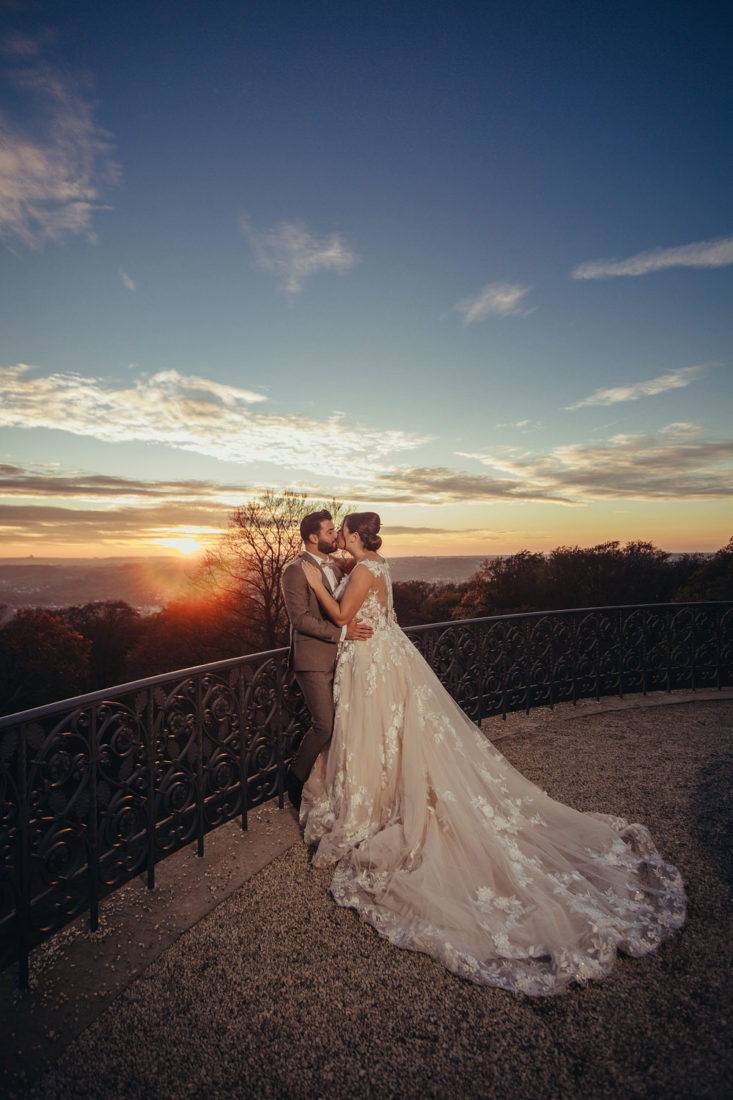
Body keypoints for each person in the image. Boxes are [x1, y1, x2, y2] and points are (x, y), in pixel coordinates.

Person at [298, 512, 687, 996]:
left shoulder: (361, 570)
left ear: (356, 536)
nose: (340, 538)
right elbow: (387, 613)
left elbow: (340, 618)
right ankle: (387, 791)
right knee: (391, 737)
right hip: (386, 654)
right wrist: (335, 576)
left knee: (377, 734)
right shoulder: (381, 565)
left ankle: (373, 801)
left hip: (372, 660)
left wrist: (316, 583)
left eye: (345, 532)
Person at [281, 509, 373, 812]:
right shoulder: (295, 570)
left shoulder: (334, 564)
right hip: (313, 662)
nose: (336, 535)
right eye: (330, 531)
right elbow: (301, 620)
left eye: (336, 530)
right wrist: (343, 633)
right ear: (313, 537)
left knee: (345, 723)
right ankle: (294, 782)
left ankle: (333, 782)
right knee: (324, 725)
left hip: (341, 660)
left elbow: (367, 567)